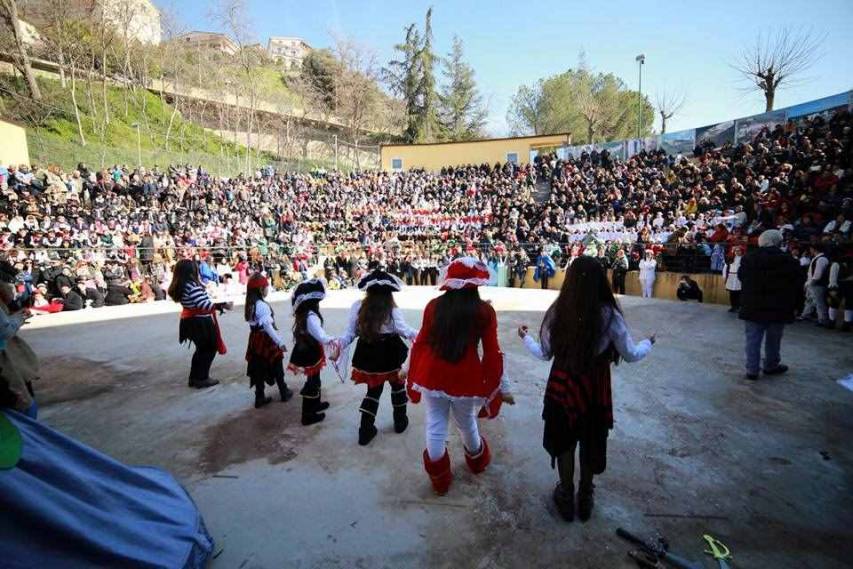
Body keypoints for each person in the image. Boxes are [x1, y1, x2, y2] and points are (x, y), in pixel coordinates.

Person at [518, 256, 653, 522]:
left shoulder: (558, 311)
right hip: (595, 389)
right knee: (591, 438)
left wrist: (526, 338)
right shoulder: (610, 315)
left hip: (562, 385)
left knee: (564, 440)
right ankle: (586, 494)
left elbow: (544, 353)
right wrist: (649, 343)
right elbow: (632, 354)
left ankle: (566, 494)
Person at [406, 257, 509, 496]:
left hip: (433, 375)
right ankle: (477, 461)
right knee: (466, 423)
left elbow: (420, 342)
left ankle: (439, 480)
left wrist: (410, 369)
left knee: (435, 424)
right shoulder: (485, 311)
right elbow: (492, 353)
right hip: (466, 377)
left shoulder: (434, 306)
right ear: (476, 284)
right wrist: (498, 386)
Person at [337, 270, 418, 446]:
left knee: (373, 391)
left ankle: (365, 431)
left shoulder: (358, 306)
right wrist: (424, 335)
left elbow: (350, 333)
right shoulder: (391, 308)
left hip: (368, 352)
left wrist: (339, 345)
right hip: (391, 351)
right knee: (398, 387)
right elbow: (405, 331)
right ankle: (400, 422)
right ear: (389, 292)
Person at [738, 230, 800, 380]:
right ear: (778, 242)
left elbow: (741, 276)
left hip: (753, 306)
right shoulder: (788, 260)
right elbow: (796, 284)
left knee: (752, 340)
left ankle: (752, 370)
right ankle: (771, 366)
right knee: (774, 340)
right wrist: (796, 306)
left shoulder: (749, 258)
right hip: (778, 307)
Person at [168, 259, 227, 389]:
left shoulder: (183, 285)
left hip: (190, 320)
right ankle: (202, 378)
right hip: (200, 322)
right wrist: (221, 305)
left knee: (201, 350)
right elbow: (203, 304)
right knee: (209, 349)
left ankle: (194, 377)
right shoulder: (192, 286)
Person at [288, 279, 337, 426]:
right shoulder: (311, 316)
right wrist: (335, 340)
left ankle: (315, 404)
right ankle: (308, 415)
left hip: (307, 349)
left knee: (315, 379)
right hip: (309, 351)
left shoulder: (305, 314)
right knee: (312, 382)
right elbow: (321, 336)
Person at [244, 273, 293, 409]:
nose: (267, 289)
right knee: (276, 364)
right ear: (260, 289)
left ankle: (259, 396)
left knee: (258, 367)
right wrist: (279, 342)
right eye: (266, 287)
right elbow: (268, 327)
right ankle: (283, 391)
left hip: (254, 339)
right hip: (266, 339)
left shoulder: (250, 304)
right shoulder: (261, 306)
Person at [806, 244, 831, 328]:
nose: (810, 251)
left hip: (818, 284)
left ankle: (823, 319)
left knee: (819, 302)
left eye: (811, 249)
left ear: (814, 249)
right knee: (814, 301)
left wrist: (812, 283)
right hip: (815, 283)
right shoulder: (818, 258)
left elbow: (817, 274)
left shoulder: (821, 259)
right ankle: (809, 314)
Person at [828, 252, 853, 332]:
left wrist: (832, 287)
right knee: (848, 305)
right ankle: (845, 324)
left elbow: (832, 277)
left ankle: (833, 322)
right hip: (845, 286)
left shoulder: (836, 264)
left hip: (841, 285)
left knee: (835, 304)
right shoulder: (837, 264)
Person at [722, 247, 744, 313]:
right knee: (732, 293)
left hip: (739, 277)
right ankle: (733, 307)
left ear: (741, 251)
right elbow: (725, 268)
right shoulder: (731, 259)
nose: (737, 252)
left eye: (739, 251)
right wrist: (725, 277)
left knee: (739, 293)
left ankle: (739, 307)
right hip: (731, 277)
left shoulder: (744, 259)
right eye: (736, 251)